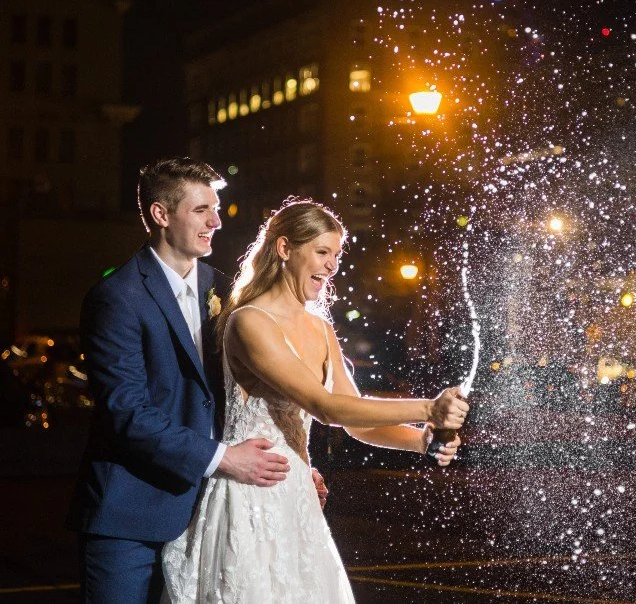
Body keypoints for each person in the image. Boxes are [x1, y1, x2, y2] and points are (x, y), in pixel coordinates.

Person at [160, 198, 468, 603]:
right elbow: (324, 406)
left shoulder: (321, 329)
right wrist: (428, 408)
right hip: (249, 498)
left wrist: (420, 441)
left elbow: (354, 419)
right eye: (322, 252)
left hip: (298, 502)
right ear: (285, 249)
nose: (331, 266)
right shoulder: (249, 321)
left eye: (336, 255)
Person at [68, 158, 300, 603]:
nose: (216, 221)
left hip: (212, 511)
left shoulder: (222, 288)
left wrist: (291, 464)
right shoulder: (116, 297)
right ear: (161, 215)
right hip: (130, 515)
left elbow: (241, 395)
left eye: (216, 208)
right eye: (201, 210)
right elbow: (127, 413)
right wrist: (223, 458)